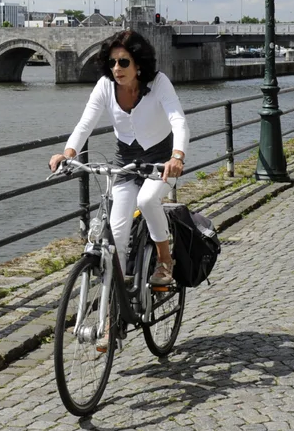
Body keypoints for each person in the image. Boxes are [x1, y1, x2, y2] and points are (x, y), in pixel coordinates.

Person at [49, 29, 189, 290]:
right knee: (117, 230)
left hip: (160, 160)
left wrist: (177, 156)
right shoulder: (105, 86)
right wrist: (68, 154)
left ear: (138, 64)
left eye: (123, 61)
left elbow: (178, 120)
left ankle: (164, 259)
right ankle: (113, 309)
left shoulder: (159, 83)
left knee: (147, 200)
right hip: (125, 160)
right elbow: (85, 123)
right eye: (112, 62)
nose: (116, 68)